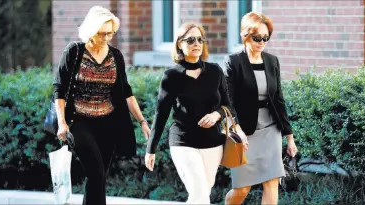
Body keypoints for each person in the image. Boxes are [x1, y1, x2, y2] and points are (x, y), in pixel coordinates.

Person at [53, 6, 151, 205]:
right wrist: (62, 123)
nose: (107, 37)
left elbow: (126, 93)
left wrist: (142, 121)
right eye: (102, 33)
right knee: (96, 172)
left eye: (110, 33)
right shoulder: (75, 51)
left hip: (108, 123)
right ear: (90, 30)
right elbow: (59, 89)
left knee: (97, 177)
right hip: (78, 121)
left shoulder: (116, 56)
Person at [144, 22, 245, 204]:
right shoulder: (171, 76)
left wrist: (216, 115)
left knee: (202, 194)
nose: (196, 43)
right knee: (199, 193)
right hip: (183, 142)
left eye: (200, 39)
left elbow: (229, 107)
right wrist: (151, 149)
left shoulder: (215, 71)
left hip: (213, 143)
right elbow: (161, 114)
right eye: (190, 40)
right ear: (179, 44)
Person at [223, 12, 298, 205]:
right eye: (257, 38)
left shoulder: (272, 61)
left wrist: (289, 138)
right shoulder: (234, 62)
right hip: (244, 130)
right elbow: (227, 100)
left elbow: (279, 99)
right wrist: (236, 128)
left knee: (271, 182)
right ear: (245, 36)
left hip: (270, 128)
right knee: (241, 190)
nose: (262, 42)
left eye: (266, 38)